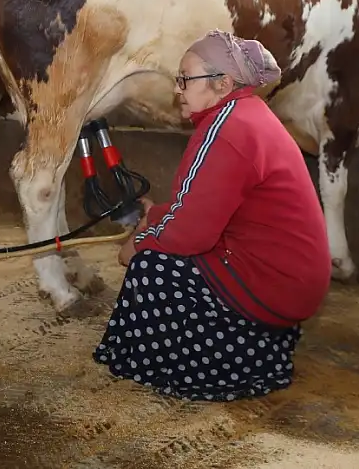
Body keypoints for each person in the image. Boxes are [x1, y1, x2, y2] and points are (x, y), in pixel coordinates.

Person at [92, 29, 333, 402]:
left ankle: (186, 368)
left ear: (222, 83)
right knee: (162, 247)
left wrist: (138, 243)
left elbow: (190, 233)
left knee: (152, 266)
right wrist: (155, 216)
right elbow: (201, 206)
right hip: (287, 284)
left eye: (186, 79)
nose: (178, 90)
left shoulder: (226, 129)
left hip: (272, 285)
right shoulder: (246, 114)